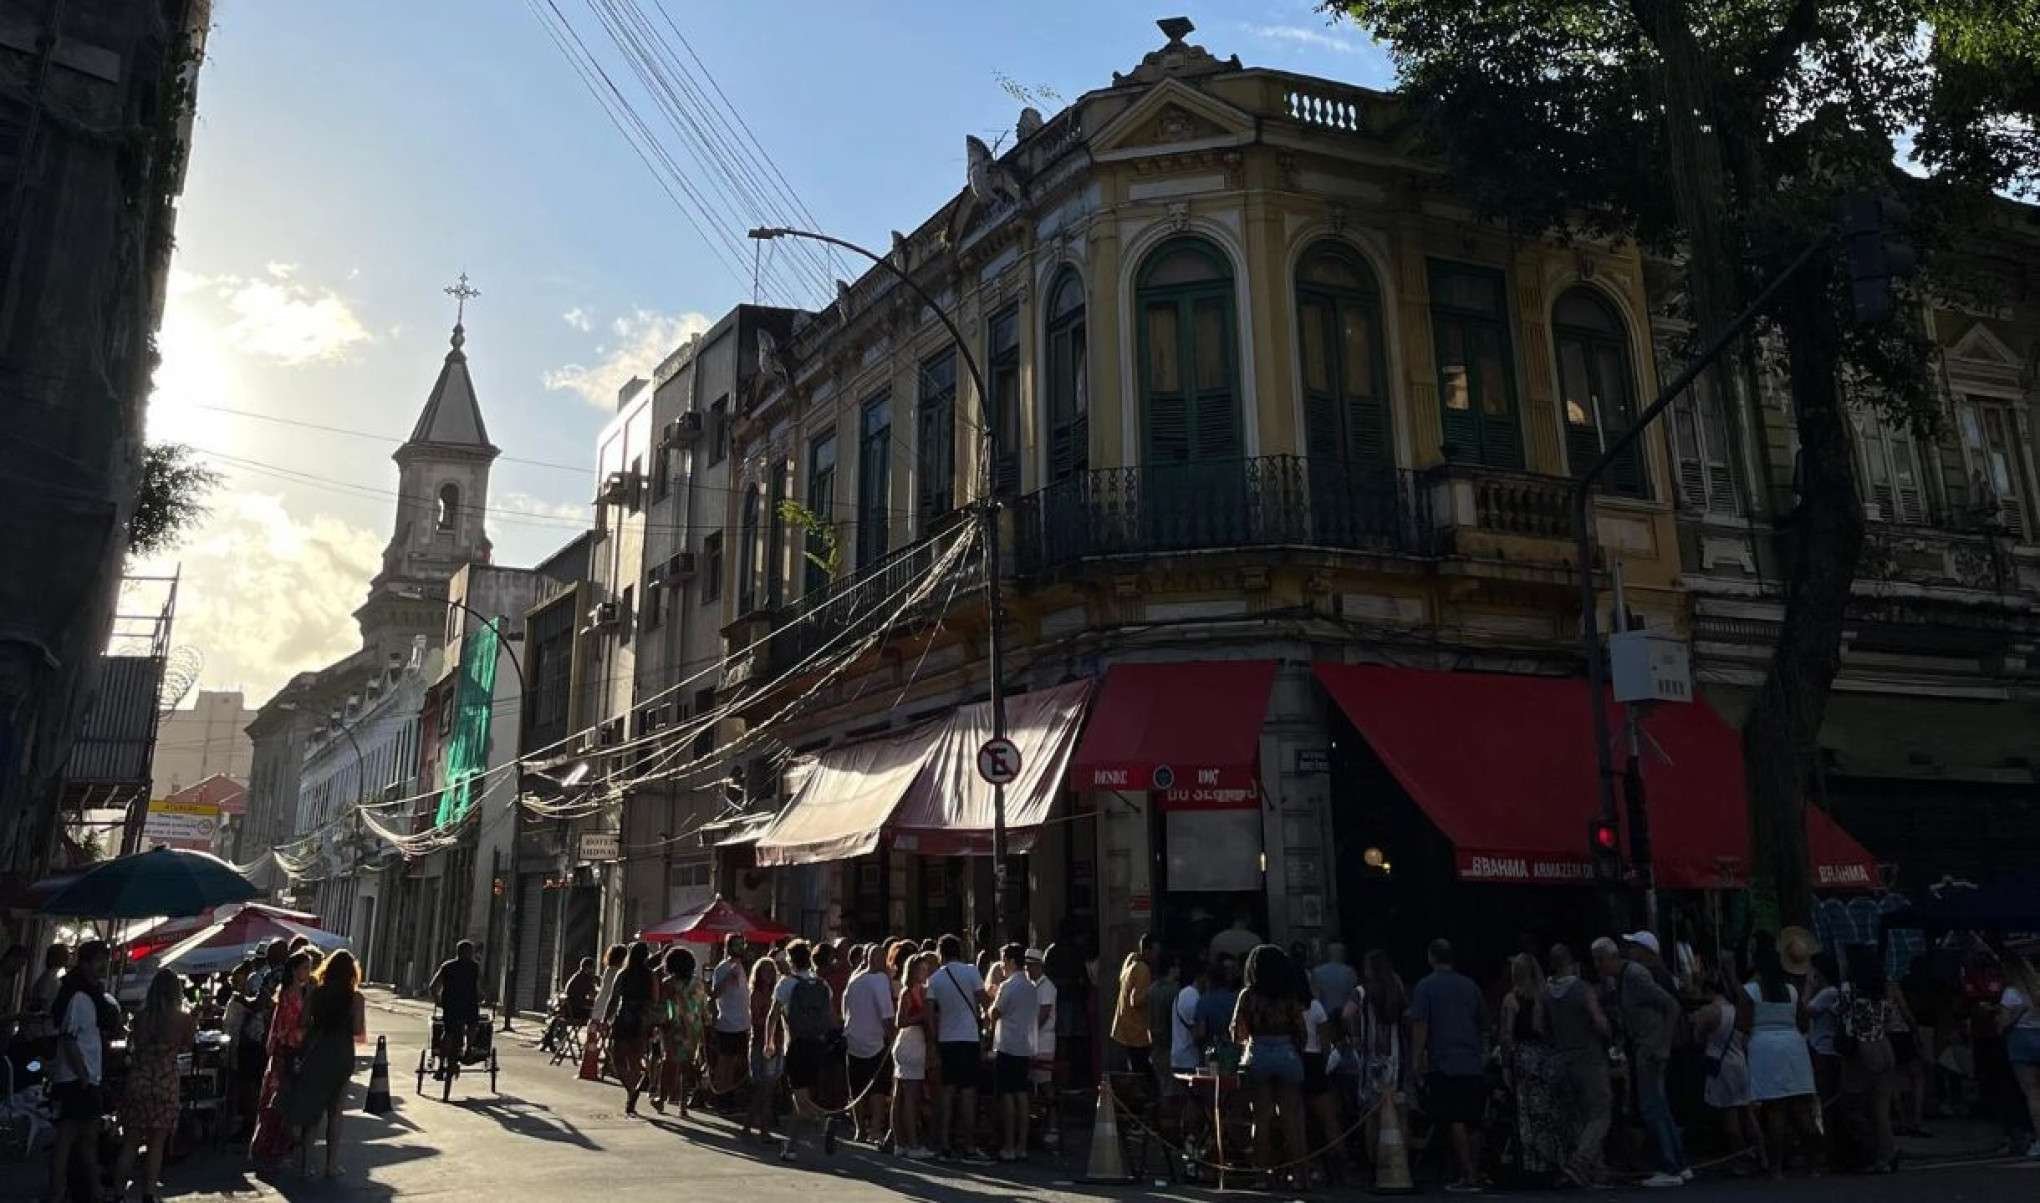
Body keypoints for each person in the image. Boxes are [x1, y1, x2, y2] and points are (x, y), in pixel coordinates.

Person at [1600, 933, 1688, 1188]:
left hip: (1650, 1048)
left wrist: (1663, 1046)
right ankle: (1678, 1162)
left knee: (1652, 1107)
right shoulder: (1627, 978)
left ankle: (1670, 1165)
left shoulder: (1637, 976)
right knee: (1659, 1106)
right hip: (1646, 1046)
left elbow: (1671, 1005)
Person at [114, 968, 200, 1202]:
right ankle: (149, 1192)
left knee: (130, 1142)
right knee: (157, 1144)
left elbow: (132, 1045)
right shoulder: (183, 1019)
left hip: (139, 1080)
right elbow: (187, 1046)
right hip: (165, 1082)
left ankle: (118, 1192)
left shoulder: (141, 1018)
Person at [1412, 938, 1488, 1193]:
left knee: (1454, 1117)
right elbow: (1483, 1022)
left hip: (1444, 1060)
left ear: (1431, 957)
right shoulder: (1471, 986)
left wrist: (1416, 1058)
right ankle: (1474, 1169)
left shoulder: (1425, 987)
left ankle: (1467, 1173)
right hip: (1472, 1059)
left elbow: (1421, 1025)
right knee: (1474, 1120)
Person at [283, 949, 367, 1177]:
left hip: (317, 1053)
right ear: (352, 972)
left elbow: (302, 1022)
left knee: (313, 1109)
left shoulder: (315, 994)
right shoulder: (356, 998)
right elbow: (358, 1030)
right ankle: (330, 1165)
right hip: (341, 1054)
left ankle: (306, 1164)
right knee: (336, 1112)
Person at [1231, 944, 1309, 1187]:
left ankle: (1261, 1176)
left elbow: (1236, 1031)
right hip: (1286, 1053)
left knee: (1261, 1118)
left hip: (1259, 1053)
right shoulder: (1289, 995)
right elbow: (1301, 1032)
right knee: (1291, 1119)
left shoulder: (1248, 995)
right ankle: (1299, 1176)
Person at [1744, 938, 1818, 1179]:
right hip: (1793, 1046)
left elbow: (1743, 1024)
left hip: (1764, 1048)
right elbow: (1803, 1021)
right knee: (1801, 1108)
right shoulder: (1792, 991)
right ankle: (1812, 1165)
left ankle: (1776, 1168)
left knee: (1775, 1109)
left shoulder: (1751, 991)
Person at [47, 940, 111, 1203]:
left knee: (86, 1138)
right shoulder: (79, 996)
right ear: (85, 963)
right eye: (99, 960)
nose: (103, 966)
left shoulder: (88, 994)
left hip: (85, 1076)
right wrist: (84, 1075)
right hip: (77, 1078)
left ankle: (91, 1190)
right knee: (69, 1138)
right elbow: (69, 1039)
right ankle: (58, 1193)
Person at [1543, 944, 1611, 1186]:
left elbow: (1541, 1026)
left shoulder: (1547, 992)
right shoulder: (1583, 989)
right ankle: (1580, 1162)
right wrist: (1608, 1032)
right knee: (1601, 1114)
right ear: (1572, 962)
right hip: (1588, 1057)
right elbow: (1599, 1021)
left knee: (1582, 1117)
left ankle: (1597, 1170)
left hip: (1563, 1058)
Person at [1499, 952, 1569, 1186]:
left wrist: (1506, 1065)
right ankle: (1555, 1160)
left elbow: (1507, 1035)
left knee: (1528, 1113)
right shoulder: (1546, 996)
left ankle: (1533, 1164)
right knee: (1551, 1112)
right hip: (1548, 1058)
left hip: (1525, 1058)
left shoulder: (1511, 999)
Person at [1694, 956, 1762, 1174]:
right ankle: (1761, 1153)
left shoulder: (1710, 1012)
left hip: (1721, 1064)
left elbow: (1698, 1037)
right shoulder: (1736, 1010)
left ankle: (1740, 1158)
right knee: (1747, 1112)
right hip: (1740, 1061)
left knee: (1730, 1115)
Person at [1835, 945, 1900, 1172]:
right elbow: (1889, 1017)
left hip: (1863, 1047)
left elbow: (1844, 1017)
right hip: (1883, 1045)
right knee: (1881, 1108)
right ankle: (1888, 1152)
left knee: (1856, 1105)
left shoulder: (1848, 988)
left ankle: (1872, 1153)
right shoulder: (1880, 988)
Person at [768, 939, 833, 1162]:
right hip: (816, 1044)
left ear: (790, 959)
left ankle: (824, 1119)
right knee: (800, 1099)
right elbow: (829, 1016)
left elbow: (773, 1015)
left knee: (801, 1099)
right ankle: (791, 1147)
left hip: (795, 1045)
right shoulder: (821, 984)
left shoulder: (786, 983)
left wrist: (769, 1042)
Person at [927, 932, 990, 1162]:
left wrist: (935, 1040)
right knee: (968, 1092)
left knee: (947, 1091)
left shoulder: (934, 979)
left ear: (940, 953)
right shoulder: (971, 971)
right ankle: (969, 1144)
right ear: (959, 951)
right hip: (969, 1038)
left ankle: (945, 1143)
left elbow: (930, 1014)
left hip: (946, 1039)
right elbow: (985, 1002)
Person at [250, 950, 313, 1162]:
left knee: (282, 1099)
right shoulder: (288, 994)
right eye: (305, 967)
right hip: (285, 1052)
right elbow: (284, 1028)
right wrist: (305, 1034)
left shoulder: (299, 993)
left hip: (290, 1052)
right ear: (295, 970)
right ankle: (267, 1144)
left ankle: (276, 1143)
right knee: (277, 1098)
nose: (308, 972)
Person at [842, 937, 897, 1144]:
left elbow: (844, 1009)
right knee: (877, 1089)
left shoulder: (854, 979)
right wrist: (892, 1037)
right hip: (875, 1042)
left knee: (856, 1088)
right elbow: (887, 1015)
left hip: (853, 1039)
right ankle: (875, 1129)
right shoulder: (880, 980)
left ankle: (859, 1130)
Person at [988, 943, 1039, 1161]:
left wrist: (990, 1007)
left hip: (1007, 1044)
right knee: (1022, 1094)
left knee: (1007, 1095)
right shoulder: (1031, 986)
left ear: (1010, 962)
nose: (1001, 966)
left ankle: (1008, 1145)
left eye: (1002, 961)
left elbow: (994, 1013)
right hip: (1024, 1045)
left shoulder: (1007, 986)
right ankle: (1021, 1145)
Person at [651, 946, 706, 1117]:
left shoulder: (669, 983)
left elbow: (665, 1006)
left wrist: (661, 1023)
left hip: (674, 1026)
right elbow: (701, 1005)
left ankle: (662, 1097)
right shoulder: (698, 982)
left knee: (669, 1063)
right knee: (686, 1065)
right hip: (693, 1027)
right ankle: (683, 1105)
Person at [892, 950, 936, 1160]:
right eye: (922, 970)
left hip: (910, 1043)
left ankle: (900, 1142)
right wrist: (922, 1016)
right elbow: (900, 1021)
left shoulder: (917, 991)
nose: (925, 973)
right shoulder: (910, 992)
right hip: (911, 1044)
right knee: (909, 1096)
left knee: (900, 1095)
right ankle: (911, 1143)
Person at [1997, 951, 2040, 1159]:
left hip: (2021, 1039)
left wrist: (2014, 1015)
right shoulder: (2037, 989)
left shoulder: (2011, 994)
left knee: (2031, 1093)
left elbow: (2003, 1024)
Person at [607, 942, 657, 1116]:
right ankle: (633, 1090)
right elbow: (654, 1000)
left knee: (617, 1059)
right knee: (635, 1060)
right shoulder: (650, 976)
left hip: (624, 1017)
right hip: (642, 1020)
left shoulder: (623, 974)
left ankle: (631, 1090)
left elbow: (613, 999)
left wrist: (606, 1020)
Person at [741, 955, 783, 1145]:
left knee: (767, 1087)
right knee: (763, 1087)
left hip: (777, 1042)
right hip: (761, 1043)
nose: (768, 974)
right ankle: (762, 1129)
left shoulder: (777, 994)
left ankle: (749, 1125)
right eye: (764, 970)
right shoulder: (756, 994)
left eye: (771, 971)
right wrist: (771, 1021)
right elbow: (756, 1020)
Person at [428, 939, 483, 1075]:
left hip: (451, 1004)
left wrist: (437, 999)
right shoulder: (474, 967)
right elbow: (481, 987)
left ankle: (441, 1065)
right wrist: (483, 997)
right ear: (468, 953)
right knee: (473, 1025)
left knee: (448, 1032)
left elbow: (433, 986)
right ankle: (468, 1048)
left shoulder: (447, 966)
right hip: (469, 1004)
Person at [709, 934, 752, 1101]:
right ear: (728, 947)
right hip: (727, 1022)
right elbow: (714, 994)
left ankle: (729, 1093)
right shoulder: (723, 968)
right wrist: (727, 979)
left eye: (742, 944)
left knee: (736, 1062)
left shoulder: (741, 967)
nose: (740, 948)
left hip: (742, 1022)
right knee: (724, 1061)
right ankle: (720, 1094)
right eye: (736, 945)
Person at [1110, 932, 1155, 1076]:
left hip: (1125, 1027)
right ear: (1148, 951)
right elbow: (1136, 1000)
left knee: (1135, 1068)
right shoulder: (1143, 969)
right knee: (1140, 1071)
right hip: (1137, 1031)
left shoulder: (1130, 962)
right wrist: (1153, 993)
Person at [1198, 952, 1243, 1067]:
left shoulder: (1204, 1001)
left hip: (1211, 1054)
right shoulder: (1237, 999)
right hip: (1234, 1053)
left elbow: (1201, 1032)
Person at [1024, 948, 1058, 1097]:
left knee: (1044, 1081)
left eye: (1030, 966)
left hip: (1044, 1041)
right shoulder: (1030, 985)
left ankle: (1053, 1112)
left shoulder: (1047, 987)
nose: (1027, 969)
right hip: (1032, 1041)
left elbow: (1043, 1015)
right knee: (1032, 1081)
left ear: (1038, 966)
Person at [1312, 941, 1358, 1017]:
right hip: (1345, 1017)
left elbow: (1316, 998)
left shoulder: (1317, 972)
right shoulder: (1350, 972)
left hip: (1325, 1016)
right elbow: (1354, 998)